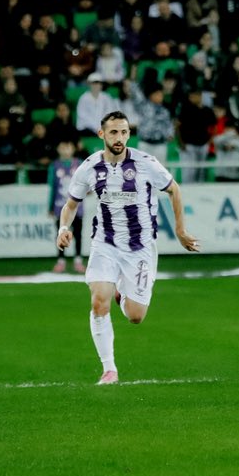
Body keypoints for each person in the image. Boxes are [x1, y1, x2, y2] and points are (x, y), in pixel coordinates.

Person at [56, 111, 200, 385]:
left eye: (123, 132)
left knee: (135, 316)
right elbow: (71, 204)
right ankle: (109, 369)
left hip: (140, 247)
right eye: (113, 132)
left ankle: (120, 293)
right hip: (105, 244)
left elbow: (174, 190)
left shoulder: (146, 163)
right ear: (102, 134)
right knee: (98, 301)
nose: (119, 138)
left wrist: (180, 231)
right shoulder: (89, 167)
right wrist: (64, 228)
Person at [48, 139, 85, 274]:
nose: (65, 150)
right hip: (60, 206)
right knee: (61, 233)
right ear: (58, 149)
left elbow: (87, 183)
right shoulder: (54, 166)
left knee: (78, 234)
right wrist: (50, 207)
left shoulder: (80, 164)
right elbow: (52, 188)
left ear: (73, 149)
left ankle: (78, 260)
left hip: (77, 207)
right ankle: (61, 261)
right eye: (62, 147)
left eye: (68, 147)